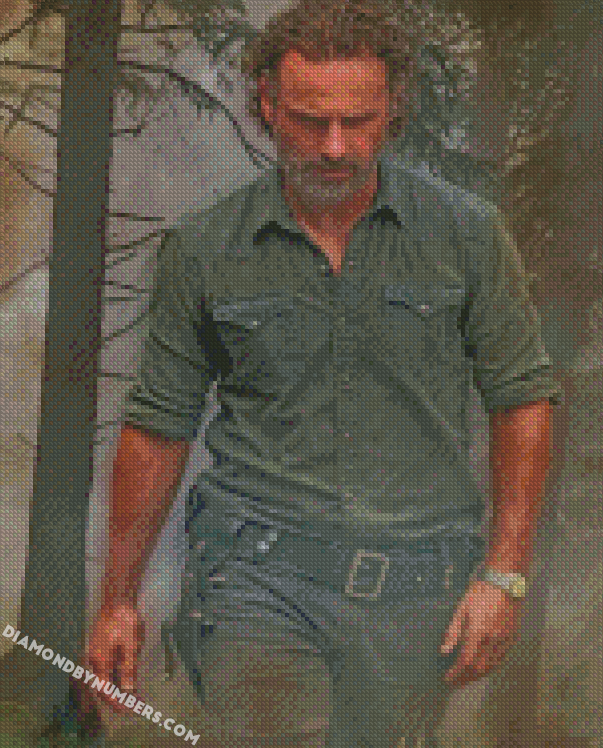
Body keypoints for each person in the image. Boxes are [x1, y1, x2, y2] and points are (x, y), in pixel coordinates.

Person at [82, 1, 563, 746]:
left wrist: (503, 574)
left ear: (393, 109)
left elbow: (522, 399)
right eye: (310, 121)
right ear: (269, 106)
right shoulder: (204, 246)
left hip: (416, 590)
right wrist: (119, 600)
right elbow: (158, 426)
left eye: (357, 121)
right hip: (256, 577)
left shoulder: (466, 235)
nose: (334, 146)